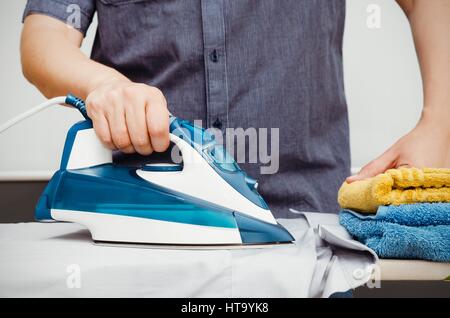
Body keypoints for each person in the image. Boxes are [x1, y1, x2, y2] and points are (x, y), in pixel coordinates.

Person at [20, 0, 449, 218]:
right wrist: (106, 86)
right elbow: (43, 42)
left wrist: (439, 122)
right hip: (137, 218)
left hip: (304, 227)